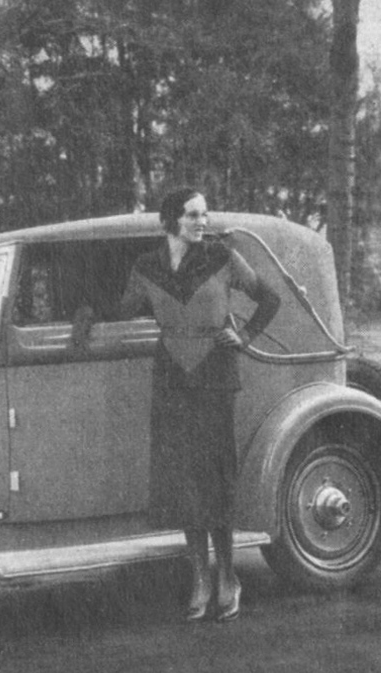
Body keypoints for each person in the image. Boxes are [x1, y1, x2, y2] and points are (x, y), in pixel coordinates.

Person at [120, 187, 280, 622]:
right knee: (183, 482)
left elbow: (270, 298)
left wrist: (243, 337)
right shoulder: (147, 266)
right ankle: (200, 579)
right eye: (192, 215)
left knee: (214, 477)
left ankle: (228, 576)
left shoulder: (221, 257)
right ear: (169, 221)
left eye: (204, 215)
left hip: (214, 374)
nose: (202, 222)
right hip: (171, 377)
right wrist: (84, 311)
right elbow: (123, 306)